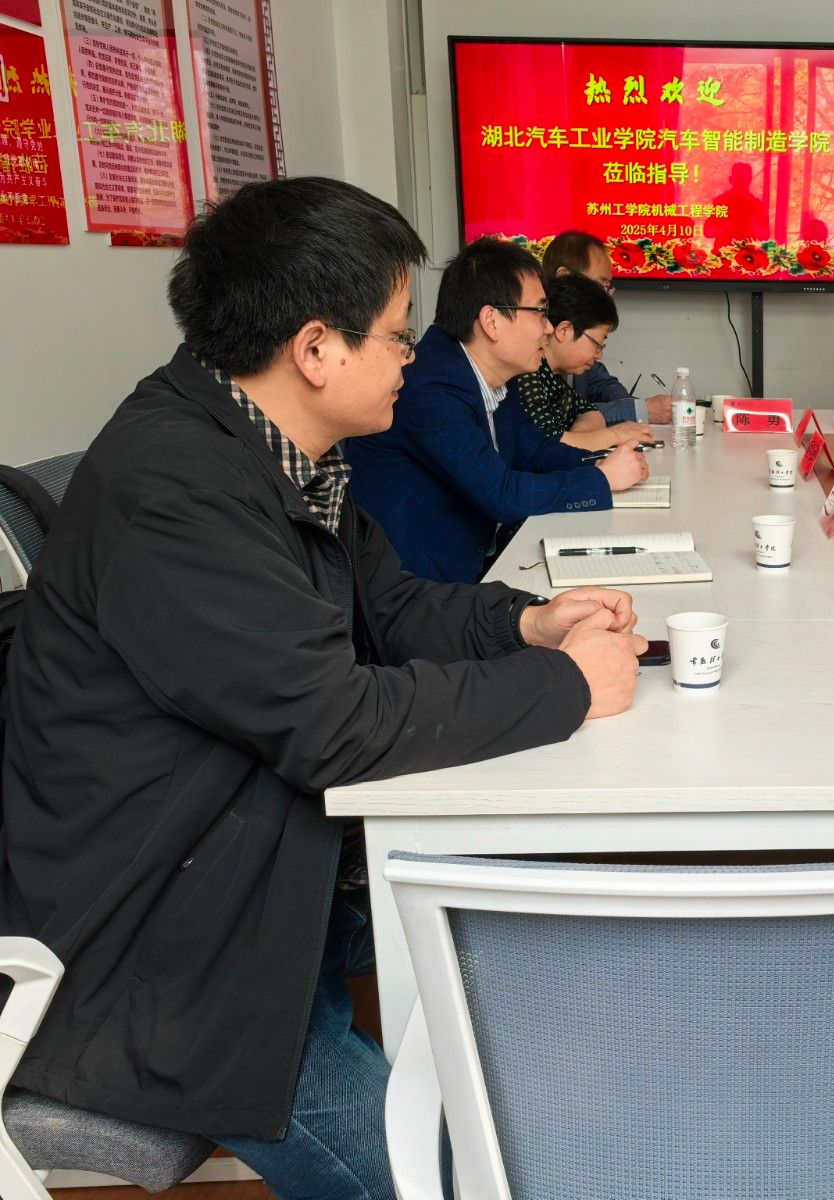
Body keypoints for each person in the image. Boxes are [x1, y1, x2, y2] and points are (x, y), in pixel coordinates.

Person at [0, 176, 648, 1200]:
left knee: (528, 984)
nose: (412, 358)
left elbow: (390, 607)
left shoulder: (274, 447)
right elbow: (334, 724)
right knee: (445, 1180)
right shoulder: (175, 490)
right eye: (396, 335)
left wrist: (528, 623)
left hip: (257, 865)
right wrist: (565, 687)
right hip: (168, 946)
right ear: (314, 349)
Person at [344, 236, 648, 584]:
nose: (548, 327)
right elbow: (500, 493)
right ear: (492, 321)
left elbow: (534, 451)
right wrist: (602, 480)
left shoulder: (496, 372)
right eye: (540, 312)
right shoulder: (431, 384)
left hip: (474, 566)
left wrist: (600, 460)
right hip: (417, 587)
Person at [540, 229, 672, 425]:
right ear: (565, 277)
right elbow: (560, 416)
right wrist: (638, 410)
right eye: (601, 285)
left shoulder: (579, 345)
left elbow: (599, 386)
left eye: (608, 287)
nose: (606, 296)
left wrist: (638, 408)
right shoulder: (530, 353)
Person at [511, 273, 652, 450]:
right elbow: (548, 445)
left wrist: (579, 438)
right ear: (564, 331)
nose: (599, 355)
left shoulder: (552, 377)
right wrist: (615, 435)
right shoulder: (527, 375)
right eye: (597, 344)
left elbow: (590, 412)